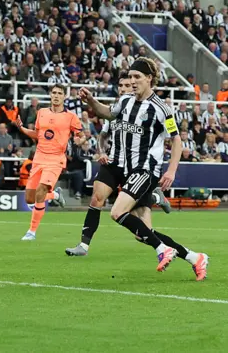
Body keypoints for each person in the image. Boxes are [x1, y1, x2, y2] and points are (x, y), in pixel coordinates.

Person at [78, 58, 208, 279]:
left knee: (117, 212)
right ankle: (194, 258)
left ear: (149, 78)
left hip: (145, 170)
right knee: (143, 232)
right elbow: (108, 113)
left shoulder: (162, 109)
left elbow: (176, 140)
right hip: (128, 171)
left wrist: (171, 171)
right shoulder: (126, 100)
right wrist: (91, 101)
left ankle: (162, 250)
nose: (133, 81)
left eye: (137, 77)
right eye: (130, 77)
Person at [66, 72, 172, 256]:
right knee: (97, 198)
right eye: (121, 86)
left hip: (135, 168)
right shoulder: (117, 108)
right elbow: (103, 134)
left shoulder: (147, 110)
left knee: (143, 232)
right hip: (114, 163)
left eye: (127, 86)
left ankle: (155, 200)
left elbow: (163, 138)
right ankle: (83, 246)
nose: (124, 88)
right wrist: (101, 151)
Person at [16, 84, 81, 241]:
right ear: (50, 95)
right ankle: (54, 195)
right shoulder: (42, 112)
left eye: (59, 93)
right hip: (38, 158)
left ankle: (31, 232)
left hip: (55, 159)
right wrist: (22, 128)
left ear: (64, 97)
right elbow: (38, 135)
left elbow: (79, 134)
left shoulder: (71, 117)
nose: (56, 96)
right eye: (54, 93)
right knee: (29, 199)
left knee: (40, 191)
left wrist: (80, 139)